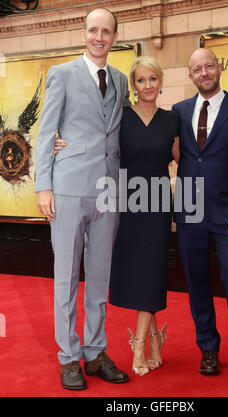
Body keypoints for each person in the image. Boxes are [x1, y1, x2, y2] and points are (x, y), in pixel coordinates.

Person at [55, 56, 179, 376]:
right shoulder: (121, 116)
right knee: (138, 272)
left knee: (152, 270)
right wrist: (60, 144)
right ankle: (153, 339)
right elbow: (93, 136)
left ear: (161, 82)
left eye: (153, 79)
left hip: (157, 204)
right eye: (141, 80)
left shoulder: (172, 119)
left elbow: (185, 159)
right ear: (132, 86)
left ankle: (139, 344)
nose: (147, 85)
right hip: (123, 202)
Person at [35, 8, 130, 390]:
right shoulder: (61, 74)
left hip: (108, 192)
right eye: (93, 30)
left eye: (106, 31)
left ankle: (95, 351)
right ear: (84, 33)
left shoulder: (121, 80)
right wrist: (44, 185)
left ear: (114, 36)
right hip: (69, 187)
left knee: (100, 277)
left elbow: (120, 131)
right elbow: (46, 131)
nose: (99, 37)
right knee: (66, 277)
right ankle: (68, 357)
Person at [172, 48, 228, 382]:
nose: (204, 72)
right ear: (191, 75)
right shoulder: (178, 112)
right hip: (189, 211)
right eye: (197, 69)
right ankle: (208, 348)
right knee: (196, 280)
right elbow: (151, 141)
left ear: (219, 68)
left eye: (209, 66)